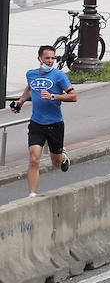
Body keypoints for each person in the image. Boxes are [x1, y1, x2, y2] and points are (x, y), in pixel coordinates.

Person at [10, 45, 77, 196]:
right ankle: (32, 196)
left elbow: (74, 96)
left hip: (55, 124)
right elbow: (29, 89)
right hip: (36, 123)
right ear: (39, 58)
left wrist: (54, 96)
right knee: (34, 159)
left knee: (56, 163)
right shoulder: (31, 74)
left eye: (53, 58)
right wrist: (20, 102)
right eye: (47, 58)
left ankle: (63, 156)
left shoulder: (59, 76)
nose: (50, 61)